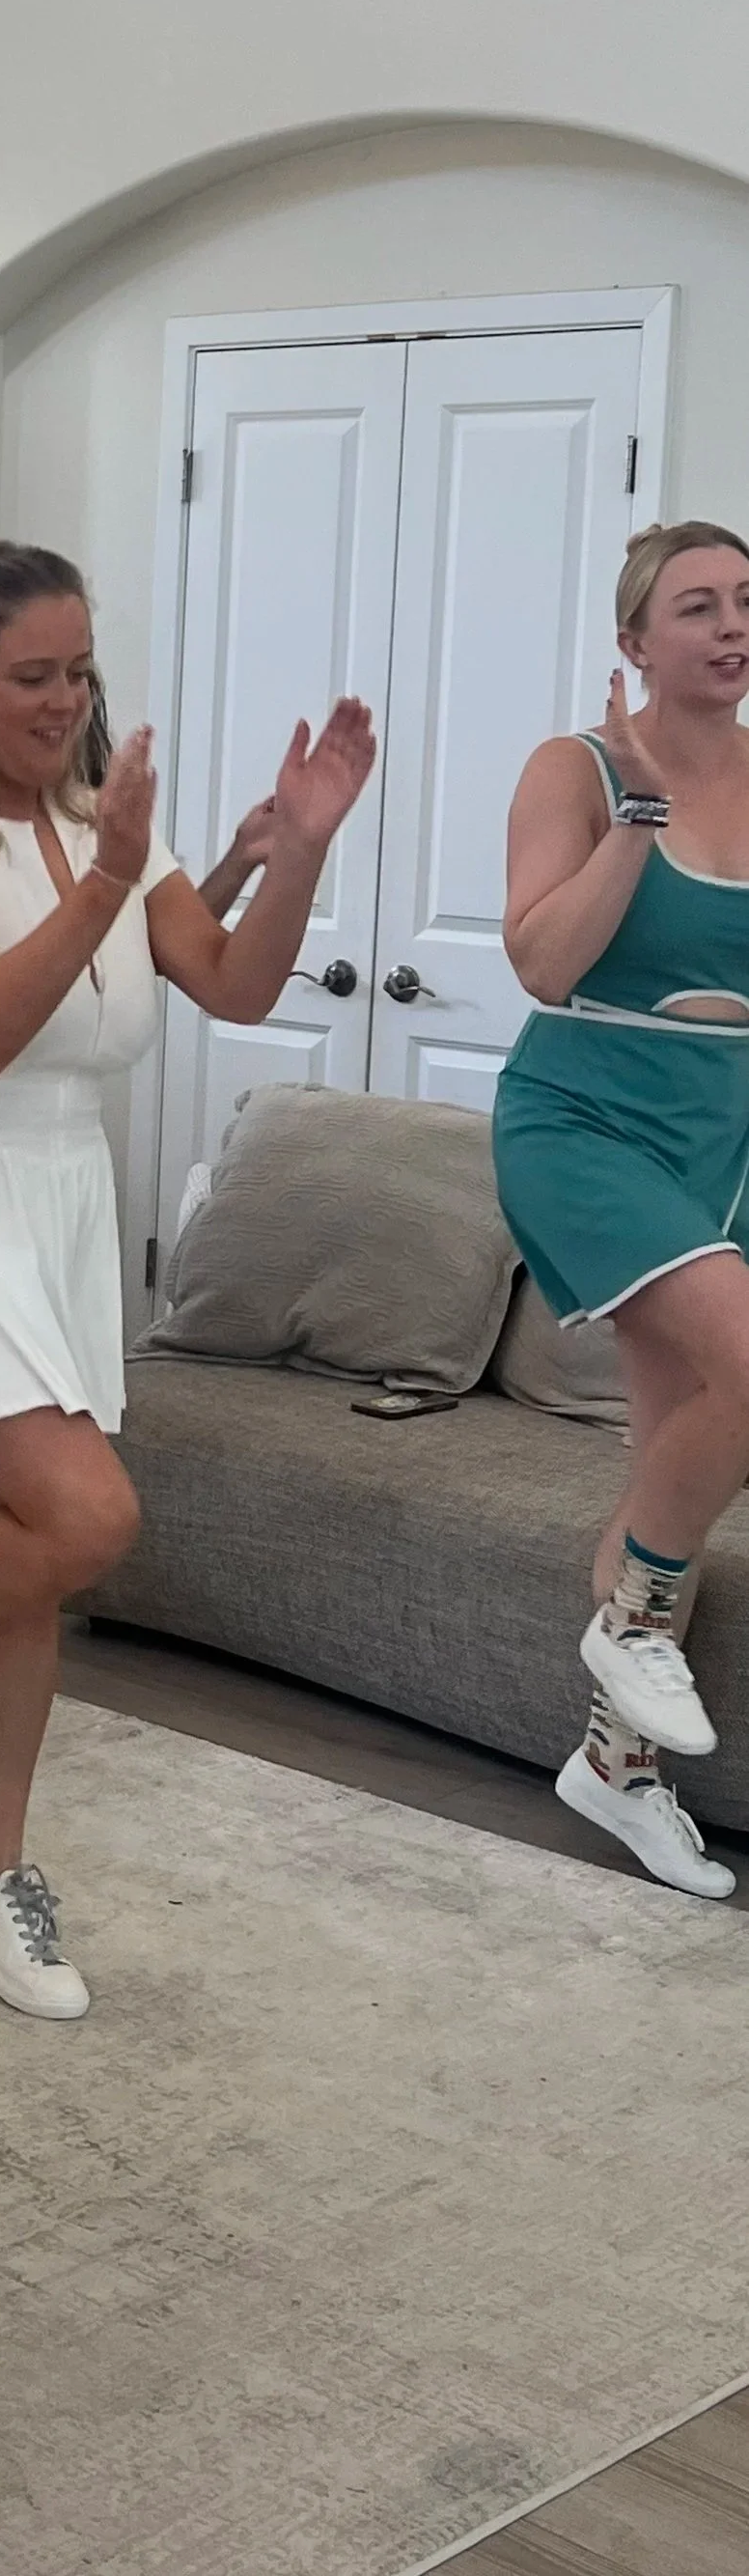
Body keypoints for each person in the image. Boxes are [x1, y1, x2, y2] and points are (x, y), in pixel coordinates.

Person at [0, 540, 374, 2017]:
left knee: (12, 1545)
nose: (63, 702)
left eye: (77, 672)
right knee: (82, 1515)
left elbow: (233, 982)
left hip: (53, 1195)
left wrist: (298, 851)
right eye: (29, 677)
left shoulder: (88, 817)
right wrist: (113, 870)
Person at [492, 519, 749, 1901]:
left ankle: (616, 1768)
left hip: (726, 1131)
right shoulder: (575, 768)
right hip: (586, 1113)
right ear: (633, 640)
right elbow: (542, 963)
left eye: (744, 600)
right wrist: (638, 818)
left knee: (678, 1465)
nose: (730, 624)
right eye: (696, 605)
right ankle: (633, 1632)